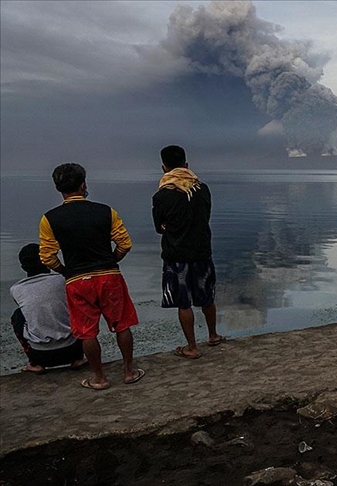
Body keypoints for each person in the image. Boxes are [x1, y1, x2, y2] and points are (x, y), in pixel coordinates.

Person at [39, 163, 144, 390]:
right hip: (109, 275)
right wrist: (112, 260)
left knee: (86, 331)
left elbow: (47, 257)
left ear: (59, 189)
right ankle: (128, 371)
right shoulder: (106, 211)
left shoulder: (49, 219)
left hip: (77, 279)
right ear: (83, 184)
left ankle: (99, 377)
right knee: (122, 324)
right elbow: (125, 244)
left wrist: (65, 271)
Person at [153, 145, 224, 360]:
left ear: (163, 167)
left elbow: (159, 227)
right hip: (202, 251)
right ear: (186, 165)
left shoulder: (161, 196)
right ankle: (213, 335)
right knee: (207, 297)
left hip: (176, 255)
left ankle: (192, 346)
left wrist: (169, 226)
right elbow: (205, 217)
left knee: (183, 302)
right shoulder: (203, 189)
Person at [10, 244, 86, 373]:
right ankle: (78, 359)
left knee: (17, 316)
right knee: (79, 306)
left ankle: (34, 364)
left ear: (23, 267)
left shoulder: (16, 289)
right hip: (72, 349)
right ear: (46, 260)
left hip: (40, 355)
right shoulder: (63, 280)